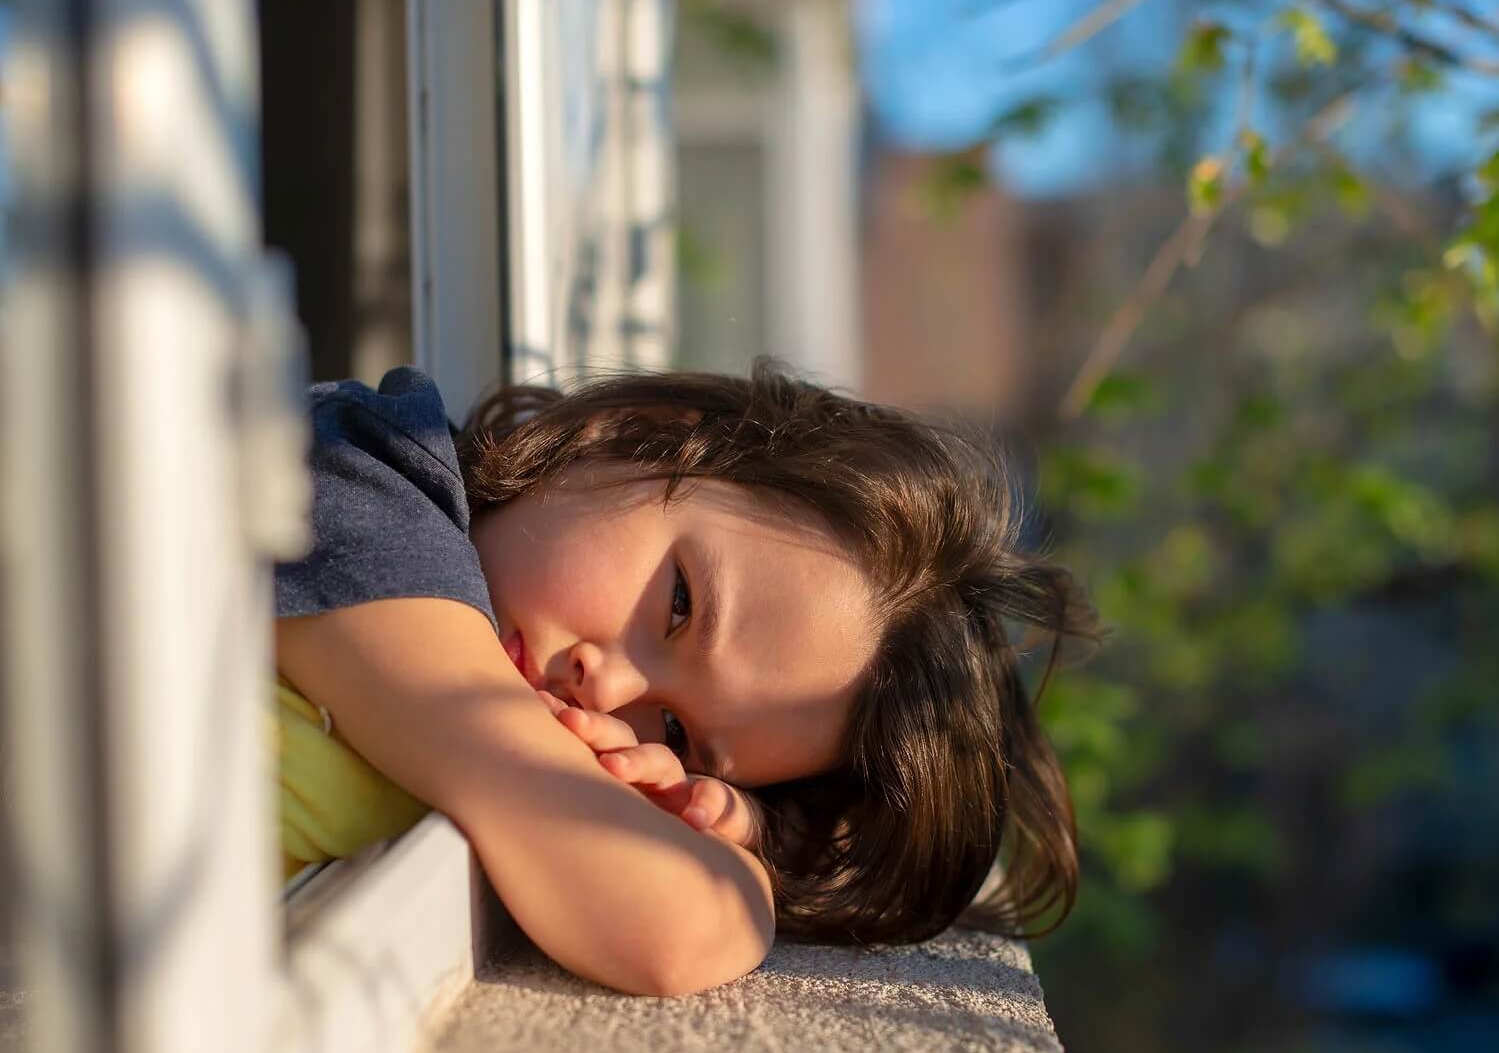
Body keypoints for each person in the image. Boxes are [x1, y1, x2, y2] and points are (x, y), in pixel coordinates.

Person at [273, 360, 1101, 996]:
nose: (608, 693)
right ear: (642, 434)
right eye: (678, 606)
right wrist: (732, 868)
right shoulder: (355, 477)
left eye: (675, 735)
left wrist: (730, 830)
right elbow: (671, 926)